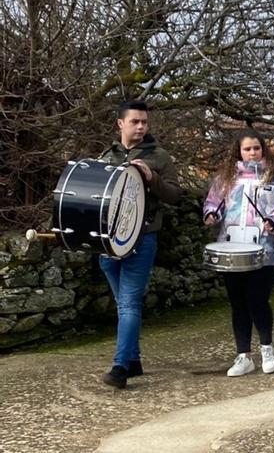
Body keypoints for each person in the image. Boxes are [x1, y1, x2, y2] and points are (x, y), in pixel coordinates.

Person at [203, 129, 274, 377]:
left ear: (262, 149)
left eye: (256, 148)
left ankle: (267, 348)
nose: (252, 153)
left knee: (257, 300)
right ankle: (243, 355)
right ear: (239, 151)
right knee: (238, 303)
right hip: (232, 249)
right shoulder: (225, 178)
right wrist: (212, 214)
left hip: (266, 250)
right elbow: (212, 202)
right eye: (247, 149)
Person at [99, 100, 181, 389]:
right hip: (108, 244)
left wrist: (151, 177)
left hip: (142, 238)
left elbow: (174, 195)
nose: (141, 126)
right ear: (120, 123)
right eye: (135, 121)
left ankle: (120, 367)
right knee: (124, 303)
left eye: (144, 122)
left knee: (129, 303)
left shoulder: (159, 156)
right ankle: (133, 360)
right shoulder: (106, 156)